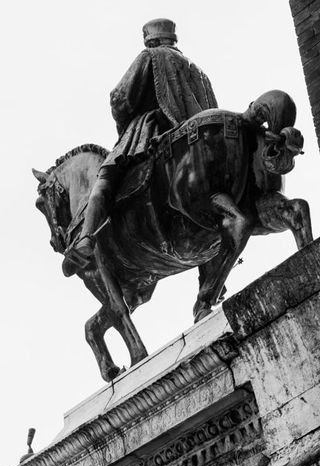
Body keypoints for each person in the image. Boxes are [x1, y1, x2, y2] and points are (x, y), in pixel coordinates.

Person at [62, 18, 218, 277]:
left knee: (104, 179)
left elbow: (120, 97)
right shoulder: (200, 73)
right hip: (197, 142)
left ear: (151, 39)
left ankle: (86, 239)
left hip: (151, 131)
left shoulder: (150, 56)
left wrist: (124, 122)